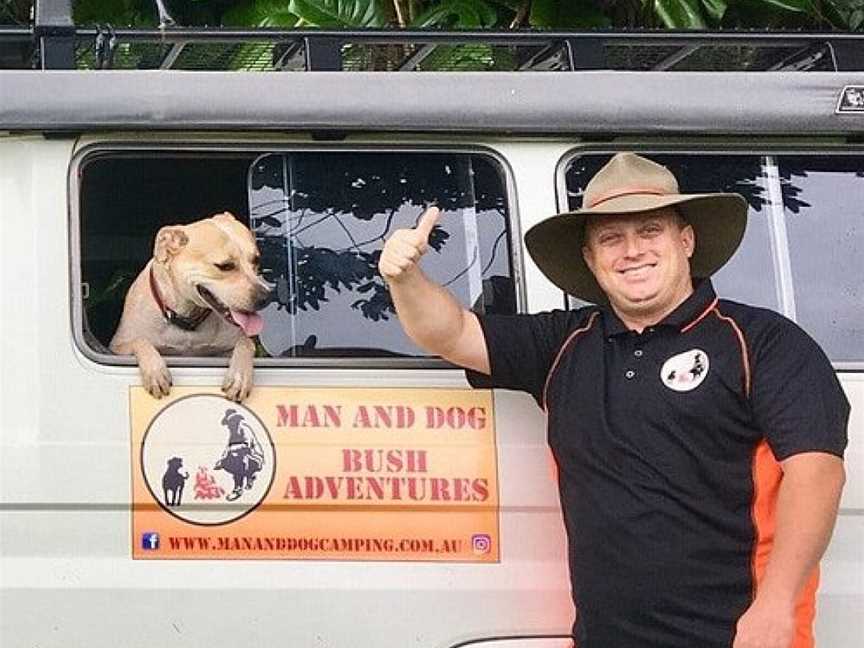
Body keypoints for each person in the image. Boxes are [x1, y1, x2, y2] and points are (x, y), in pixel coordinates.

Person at [378, 152, 849, 648]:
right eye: (611, 238)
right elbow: (449, 332)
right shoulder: (563, 344)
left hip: (736, 637)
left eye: (650, 231)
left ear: (685, 241)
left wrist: (777, 604)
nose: (632, 251)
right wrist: (405, 279)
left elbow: (816, 471)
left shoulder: (762, 340)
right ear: (590, 258)